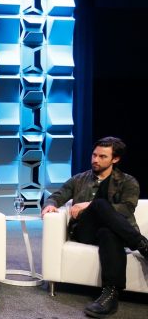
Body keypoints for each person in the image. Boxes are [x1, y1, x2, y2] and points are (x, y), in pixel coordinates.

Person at [41, 136, 148, 318]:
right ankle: (142, 245)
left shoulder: (128, 182)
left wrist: (86, 205)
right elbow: (58, 195)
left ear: (115, 159)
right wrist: (50, 204)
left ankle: (110, 296)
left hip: (113, 232)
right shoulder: (80, 179)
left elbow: (127, 209)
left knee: (108, 232)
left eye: (102, 157)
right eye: (94, 155)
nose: (95, 160)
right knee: (99, 205)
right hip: (84, 230)